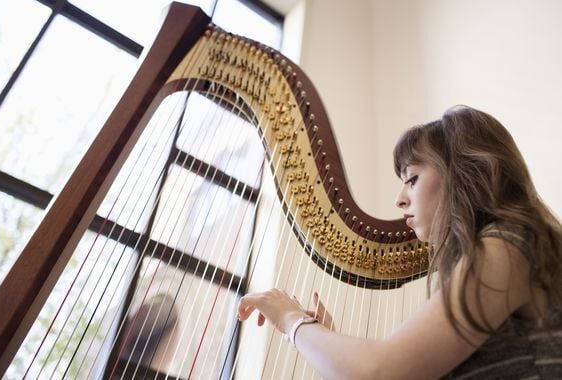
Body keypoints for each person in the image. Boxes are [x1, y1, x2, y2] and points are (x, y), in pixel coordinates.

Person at [237, 105, 562, 379]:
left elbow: (379, 372)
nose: (399, 199)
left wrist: (291, 319)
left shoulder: (507, 245)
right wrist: (328, 341)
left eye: (412, 179)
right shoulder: (507, 250)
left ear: (465, 173)